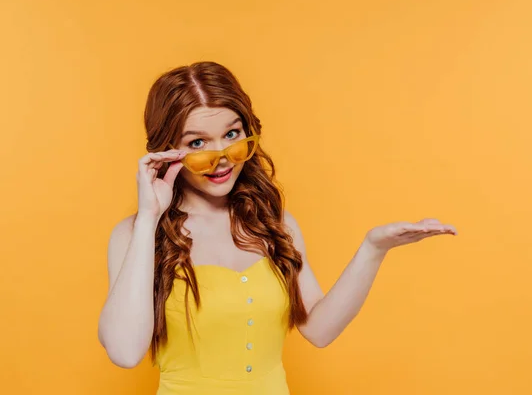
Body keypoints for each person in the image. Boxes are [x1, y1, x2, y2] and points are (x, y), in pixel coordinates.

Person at [97, 61, 457, 395]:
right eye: (197, 143)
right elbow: (125, 352)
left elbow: (319, 330)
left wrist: (373, 248)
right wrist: (149, 217)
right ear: (166, 151)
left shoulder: (275, 224)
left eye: (232, 134)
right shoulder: (134, 234)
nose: (221, 156)